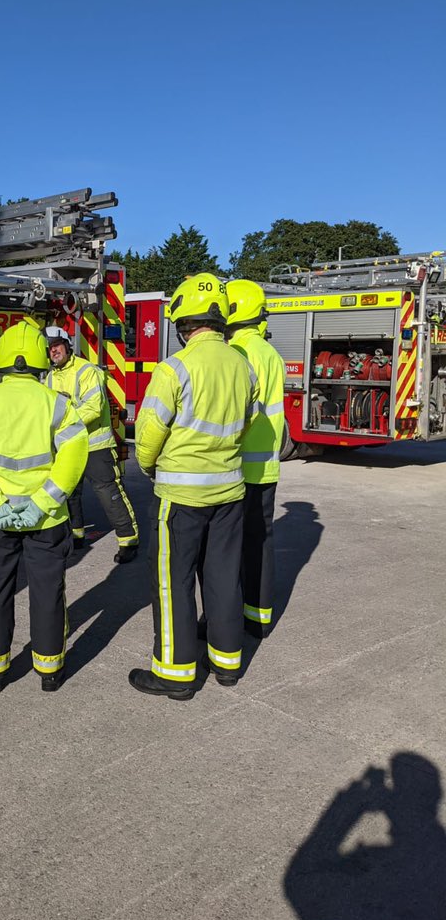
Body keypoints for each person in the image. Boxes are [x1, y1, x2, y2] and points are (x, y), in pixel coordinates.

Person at [129, 274, 258, 700]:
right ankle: (226, 664)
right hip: (229, 494)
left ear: (184, 322)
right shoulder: (243, 364)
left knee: (172, 582)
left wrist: (149, 467)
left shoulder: (175, 367)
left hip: (181, 497)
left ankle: (176, 673)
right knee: (223, 579)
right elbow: (251, 421)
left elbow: (148, 432)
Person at [0, 320, 88, 694]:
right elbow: (75, 453)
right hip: (46, 519)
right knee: (48, 590)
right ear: (41, 359)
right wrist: (44, 501)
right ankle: (49, 670)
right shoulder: (57, 405)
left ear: (0, 359)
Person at [44, 325, 139, 563]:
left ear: (67, 346)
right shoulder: (50, 376)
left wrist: (64, 422)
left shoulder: (87, 370)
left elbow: (93, 408)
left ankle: (129, 540)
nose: (54, 351)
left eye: (57, 346)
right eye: (50, 348)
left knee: (109, 494)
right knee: (69, 494)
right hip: (68, 446)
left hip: (96, 446)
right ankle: (76, 535)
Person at [226, 279, 285, 638]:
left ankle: (226, 617)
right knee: (260, 543)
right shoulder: (269, 352)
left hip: (236, 466)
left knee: (227, 549)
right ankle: (258, 618)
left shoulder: (236, 352)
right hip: (266, 466)